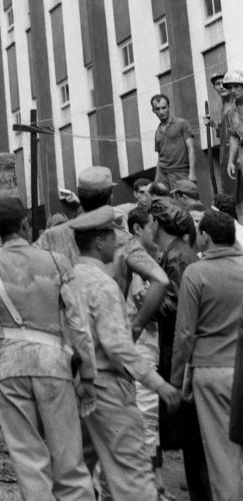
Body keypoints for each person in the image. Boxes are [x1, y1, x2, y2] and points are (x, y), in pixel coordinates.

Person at [0, 196, 96, 499]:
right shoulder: (57, 261)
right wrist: (88, 375)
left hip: (9, 367)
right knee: (69, 461)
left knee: (29, 462)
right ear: (25, 224)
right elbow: (80, 325)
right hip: (54, 364)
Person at [68, 206, 180, 501]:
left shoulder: (69, 278)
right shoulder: (103, 285)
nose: (118, 243)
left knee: (78, 473)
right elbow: (117, 344)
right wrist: (157, 383)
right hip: (108, 386)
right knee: (133, 474)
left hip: (77, 385)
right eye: (113, 237)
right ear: (99, 242)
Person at [39, 166, 169, 338]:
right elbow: (160, 280)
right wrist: (136, 327)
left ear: (80, 197)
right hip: (110, 337)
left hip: (66, 338)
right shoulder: (121, 239)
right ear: (110, 198)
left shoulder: (51, 236)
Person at [171, 210, 243, 499]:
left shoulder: (196, 273)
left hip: (211, 371)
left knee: (222, 457)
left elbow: (184, 334)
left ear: (206, 237)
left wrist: (176, 381)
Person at [146, 198, 211, 501]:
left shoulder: (177, 256)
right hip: (177, 349)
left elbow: (177, 307)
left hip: (179, 351)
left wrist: (147, 301)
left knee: (193, 438)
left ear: (157, 224)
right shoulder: (177, 253)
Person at [125, 206, 164, 492]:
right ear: (138, 229)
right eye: (152, 227)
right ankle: (149, 486)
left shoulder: (139, 255)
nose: (156, 232)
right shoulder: (136, 258)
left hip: (142, 341)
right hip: (140, 342)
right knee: (146, 415)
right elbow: (142, 298)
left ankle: (155, 483)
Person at [152, 93, 196, 192]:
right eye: (158, 109)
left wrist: (192, 172)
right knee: (164, 201)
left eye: (164, 108)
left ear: (169, 107)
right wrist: (156, 179)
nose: (161, 112)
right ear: (153, 110)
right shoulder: (157, 132)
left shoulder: (182, 123)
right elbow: (160, 157)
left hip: (180, 172)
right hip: (163, 175)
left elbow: (191, 148)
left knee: (184, 200)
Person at [222, 70, 243, 222]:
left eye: (236, 86)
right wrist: (231, 161)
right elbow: (234, 136)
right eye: (230, 88)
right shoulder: (231, 112)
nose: (233, 91)